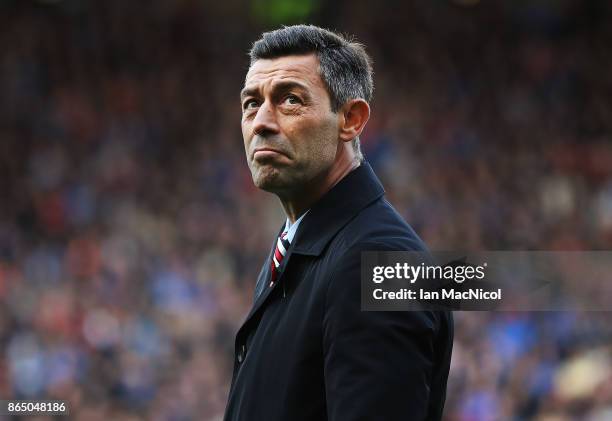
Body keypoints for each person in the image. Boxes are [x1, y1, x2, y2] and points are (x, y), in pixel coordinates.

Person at [224, 25, 453, 421]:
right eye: (251, 103)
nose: (261, 121)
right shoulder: (308, 243)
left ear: (351, 119)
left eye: (290, 100)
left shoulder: (379, 261)